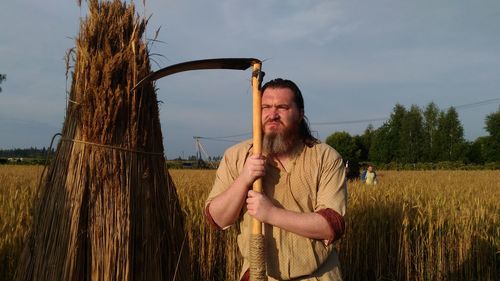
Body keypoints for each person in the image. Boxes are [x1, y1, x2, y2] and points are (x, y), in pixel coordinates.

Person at [204, 78, 347, 281]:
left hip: (316, 276)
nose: (272, 114)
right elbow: (217, 219)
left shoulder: (325, 157)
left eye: (282, 107)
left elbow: (330, 226)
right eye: (266, 107)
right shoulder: (236, 156)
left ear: (300, 113)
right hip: (259, 276)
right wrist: (244, 179)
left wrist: (270, 213)